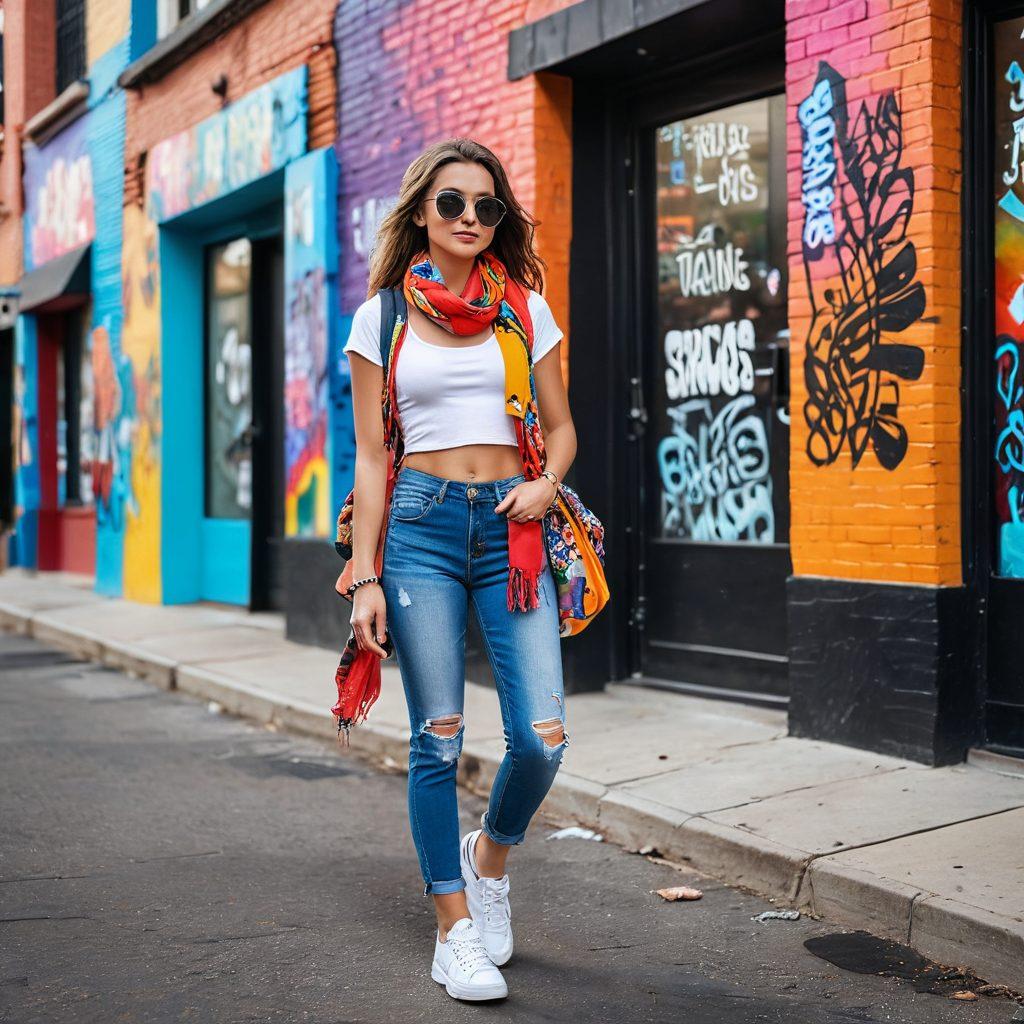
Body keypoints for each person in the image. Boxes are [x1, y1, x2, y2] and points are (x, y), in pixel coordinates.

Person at [342, 137, 577, 1003]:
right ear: (420, 214)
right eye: (452, 204)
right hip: (420, 532)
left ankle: (491, 858)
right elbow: (373, 457)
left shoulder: (525, 310)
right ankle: (453, 931)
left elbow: (561, 426)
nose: (472, 218)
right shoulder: (382, 319)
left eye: (487, 206)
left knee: (543, 738)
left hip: (511, 532)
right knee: (438, 737)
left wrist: (545, 485)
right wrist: (364, 575)